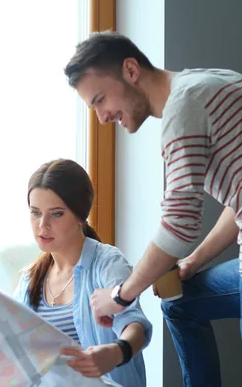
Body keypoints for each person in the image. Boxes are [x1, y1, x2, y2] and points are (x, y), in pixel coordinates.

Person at [64, 32, 242, 386]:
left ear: (130, 70)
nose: (101, 117)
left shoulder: (183, 110)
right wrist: (194, 261)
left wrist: (120, 295)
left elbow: (178, 227)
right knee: (181, 302)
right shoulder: (206, 83)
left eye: (100, 99)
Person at [13, 158, 152, 387]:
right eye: (35, 213)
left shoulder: (107, 263)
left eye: (56, 214)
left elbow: (134, 325)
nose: (42, 225)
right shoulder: (29, 280)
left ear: (80, 216)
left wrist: (117, 352)